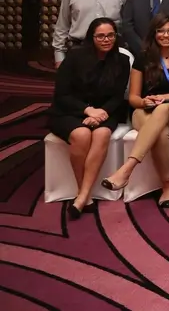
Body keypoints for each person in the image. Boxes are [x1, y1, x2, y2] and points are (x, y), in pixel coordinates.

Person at [100, 14, 169, 206]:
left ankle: (127, 168)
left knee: (162, 111)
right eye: (161, 31)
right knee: (160, 132)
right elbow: (133, 98)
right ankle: (167, 187)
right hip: (145, 111)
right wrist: (145, 102)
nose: (166, 35)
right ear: (154, 33)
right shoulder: (143, 57)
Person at [48, 17, 131, 219]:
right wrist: (88, 111)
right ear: (91, 38)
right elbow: (62, 95)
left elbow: (117, 96)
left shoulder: (122, 61)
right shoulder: (75, 57)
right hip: (70, 110)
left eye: (110, 35)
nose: (106, 40)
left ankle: (83, 196)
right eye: (100, 36)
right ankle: (84, 193)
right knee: (82, 135)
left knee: (102, 134)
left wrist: (100, 114)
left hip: (106, 111)